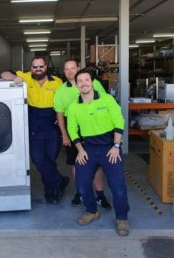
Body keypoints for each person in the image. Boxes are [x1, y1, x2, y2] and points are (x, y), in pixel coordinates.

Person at [67, 68, 130, 236]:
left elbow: (119, 121)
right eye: (80, 81)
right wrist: (80, 150)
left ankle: (122, 218)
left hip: (110, 148)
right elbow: (72, 129)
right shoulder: (74, 107)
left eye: (87, 80)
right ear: (76, 84)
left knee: (117, 186)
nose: (84, 83)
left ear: (92, 82)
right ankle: (91, 210)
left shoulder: (107, 99)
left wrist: (116, 146)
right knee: (81, 185)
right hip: (87, 149)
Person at [1, 56, 69, 204]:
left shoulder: (57, 82)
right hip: (33, 125)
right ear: (31, 68)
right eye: (35, 67)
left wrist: (63, 121)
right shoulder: (25, 77)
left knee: (50, 159)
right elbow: (3, 74)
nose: (38, 69)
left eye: (41, 66)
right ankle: (59, 181)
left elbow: (64, 102)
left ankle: (50, 192)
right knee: (38, 159)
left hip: (52, 124)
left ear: (46, 67)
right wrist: (14, 77)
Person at [54, 60, 111, 209]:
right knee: (76, 162)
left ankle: (100, 195)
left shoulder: (93, 83)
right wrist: (65, 135)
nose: (70, 71)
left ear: (78, 68)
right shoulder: (60, 90)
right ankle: (80, 192)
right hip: (73, 128)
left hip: (94, 126)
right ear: (64, 72)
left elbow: (105, 104)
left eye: (73, 68)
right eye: (66, 69)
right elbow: (59, 115)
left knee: (96, 162)